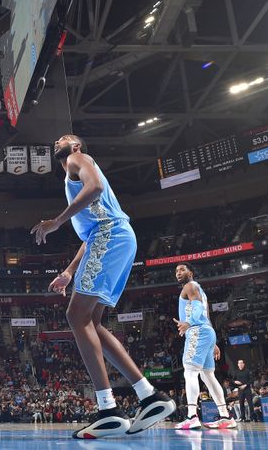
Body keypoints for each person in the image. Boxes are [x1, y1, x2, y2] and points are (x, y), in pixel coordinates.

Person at [32, 135, 175, 439]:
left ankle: (108, 410)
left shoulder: (77, 159)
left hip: (109, 236)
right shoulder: (73, 175)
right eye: (59, 137)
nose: (61, 138)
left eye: (68, 137)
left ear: (76, 146)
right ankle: (149, 396)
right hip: (115, 238)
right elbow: (87, 236)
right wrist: (70, 272)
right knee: (92, 323)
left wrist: (56, 222)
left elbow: (95, 187)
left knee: (76, 316)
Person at [172, 262, 236, 430]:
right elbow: (207, 315)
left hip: (197, 331)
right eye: (176, 271)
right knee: (208, 376)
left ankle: (192, 416)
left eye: (182, 269)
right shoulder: (198, 289)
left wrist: (189, 322)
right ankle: (225, 417)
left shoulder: (190, 286)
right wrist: (213, 342)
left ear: (191, 272)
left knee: (190, 371)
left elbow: (199, 309)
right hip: (206, 331)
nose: (178, 273)